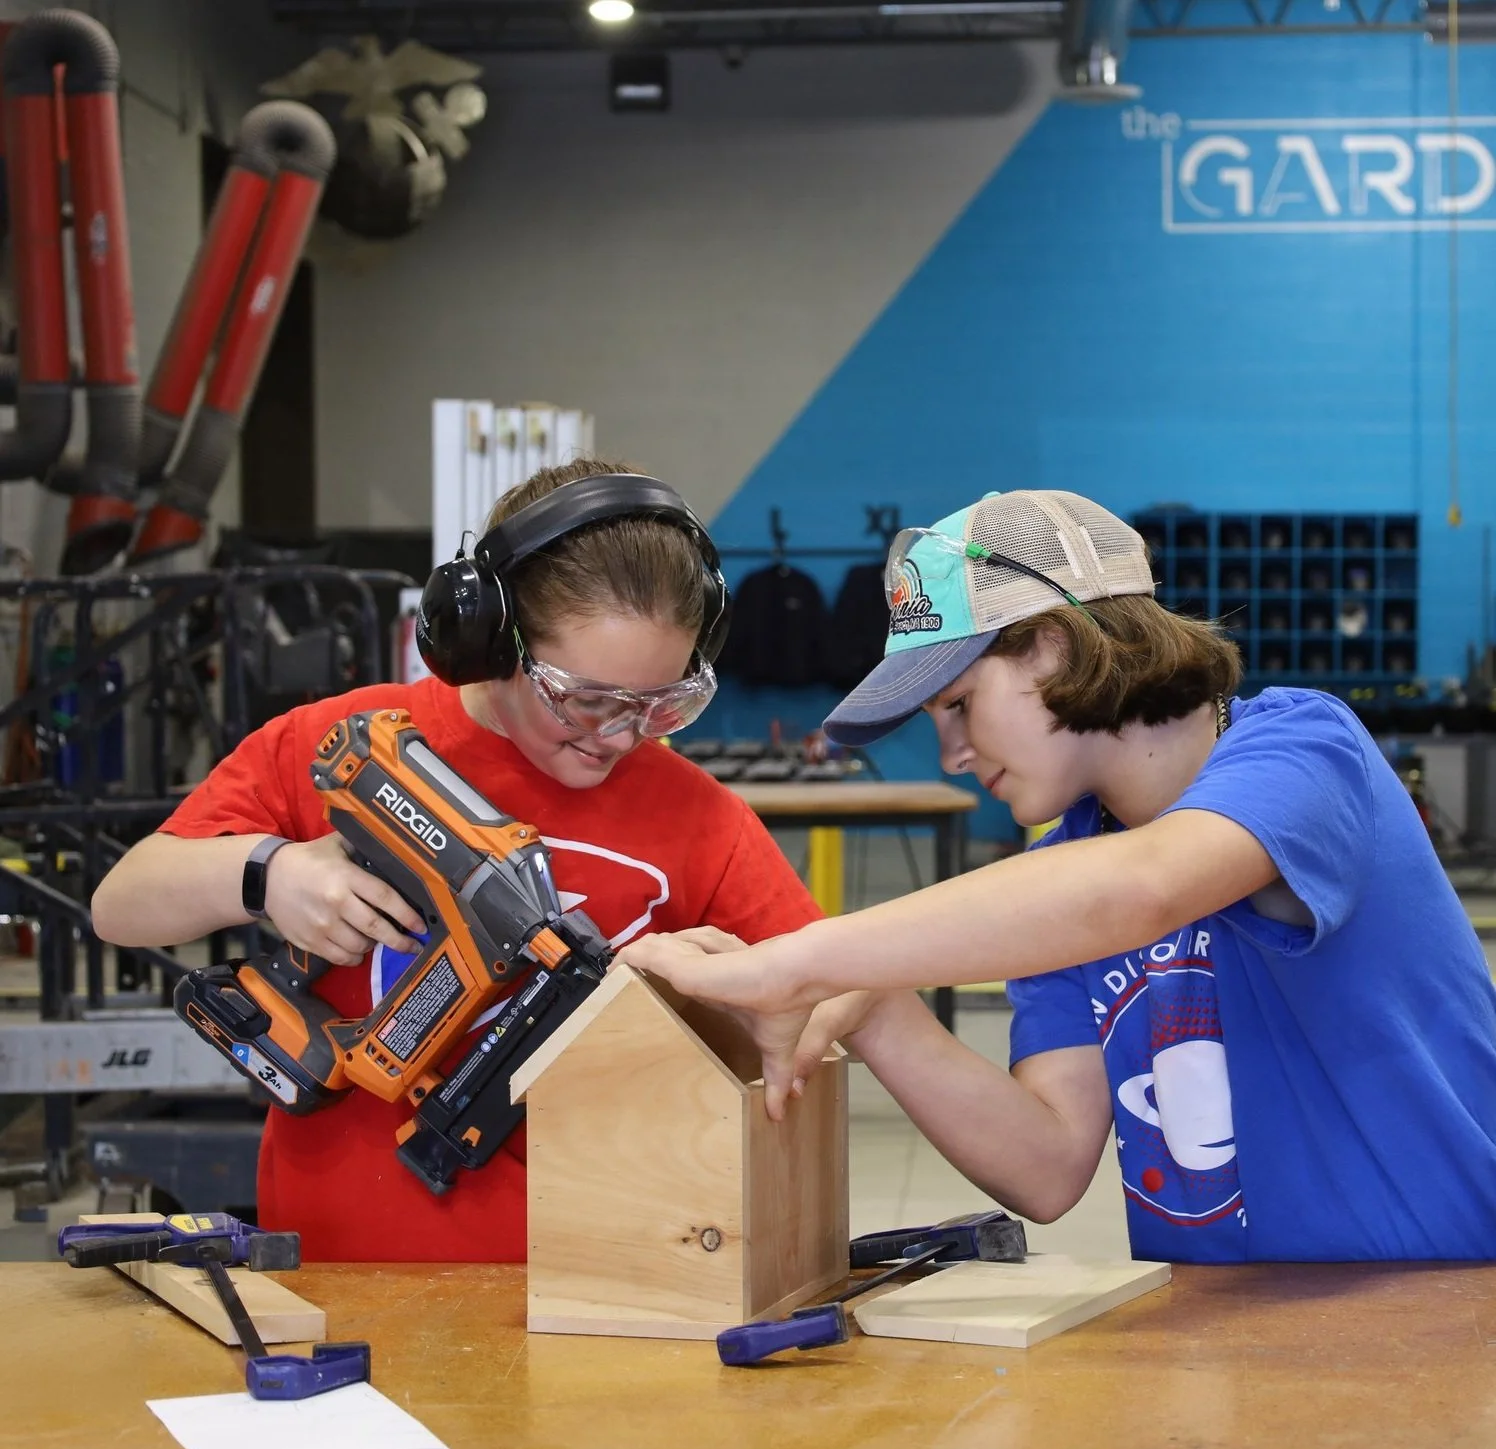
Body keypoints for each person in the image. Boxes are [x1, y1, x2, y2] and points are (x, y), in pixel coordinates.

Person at [625, 488, 1496, 1263]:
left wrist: (800, 959)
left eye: (959, 705)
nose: (953, 754)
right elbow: (1045, 1168)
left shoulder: (1306, 749)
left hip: (1437, 1311)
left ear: (1051, 649)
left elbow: (1145, 887)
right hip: (1228, 1341)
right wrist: (874, 1005)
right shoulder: (1057, 885)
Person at [91, 459, 824, 1262]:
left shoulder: (698, 818)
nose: (620, 735)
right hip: (336, 1271)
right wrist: (269, 874)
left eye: (659, 704)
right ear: (489, 639)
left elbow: (828, 999)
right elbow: (121, 905)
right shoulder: (350, 744)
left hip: (597, 1277)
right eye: (585, 699)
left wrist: (705, 996)